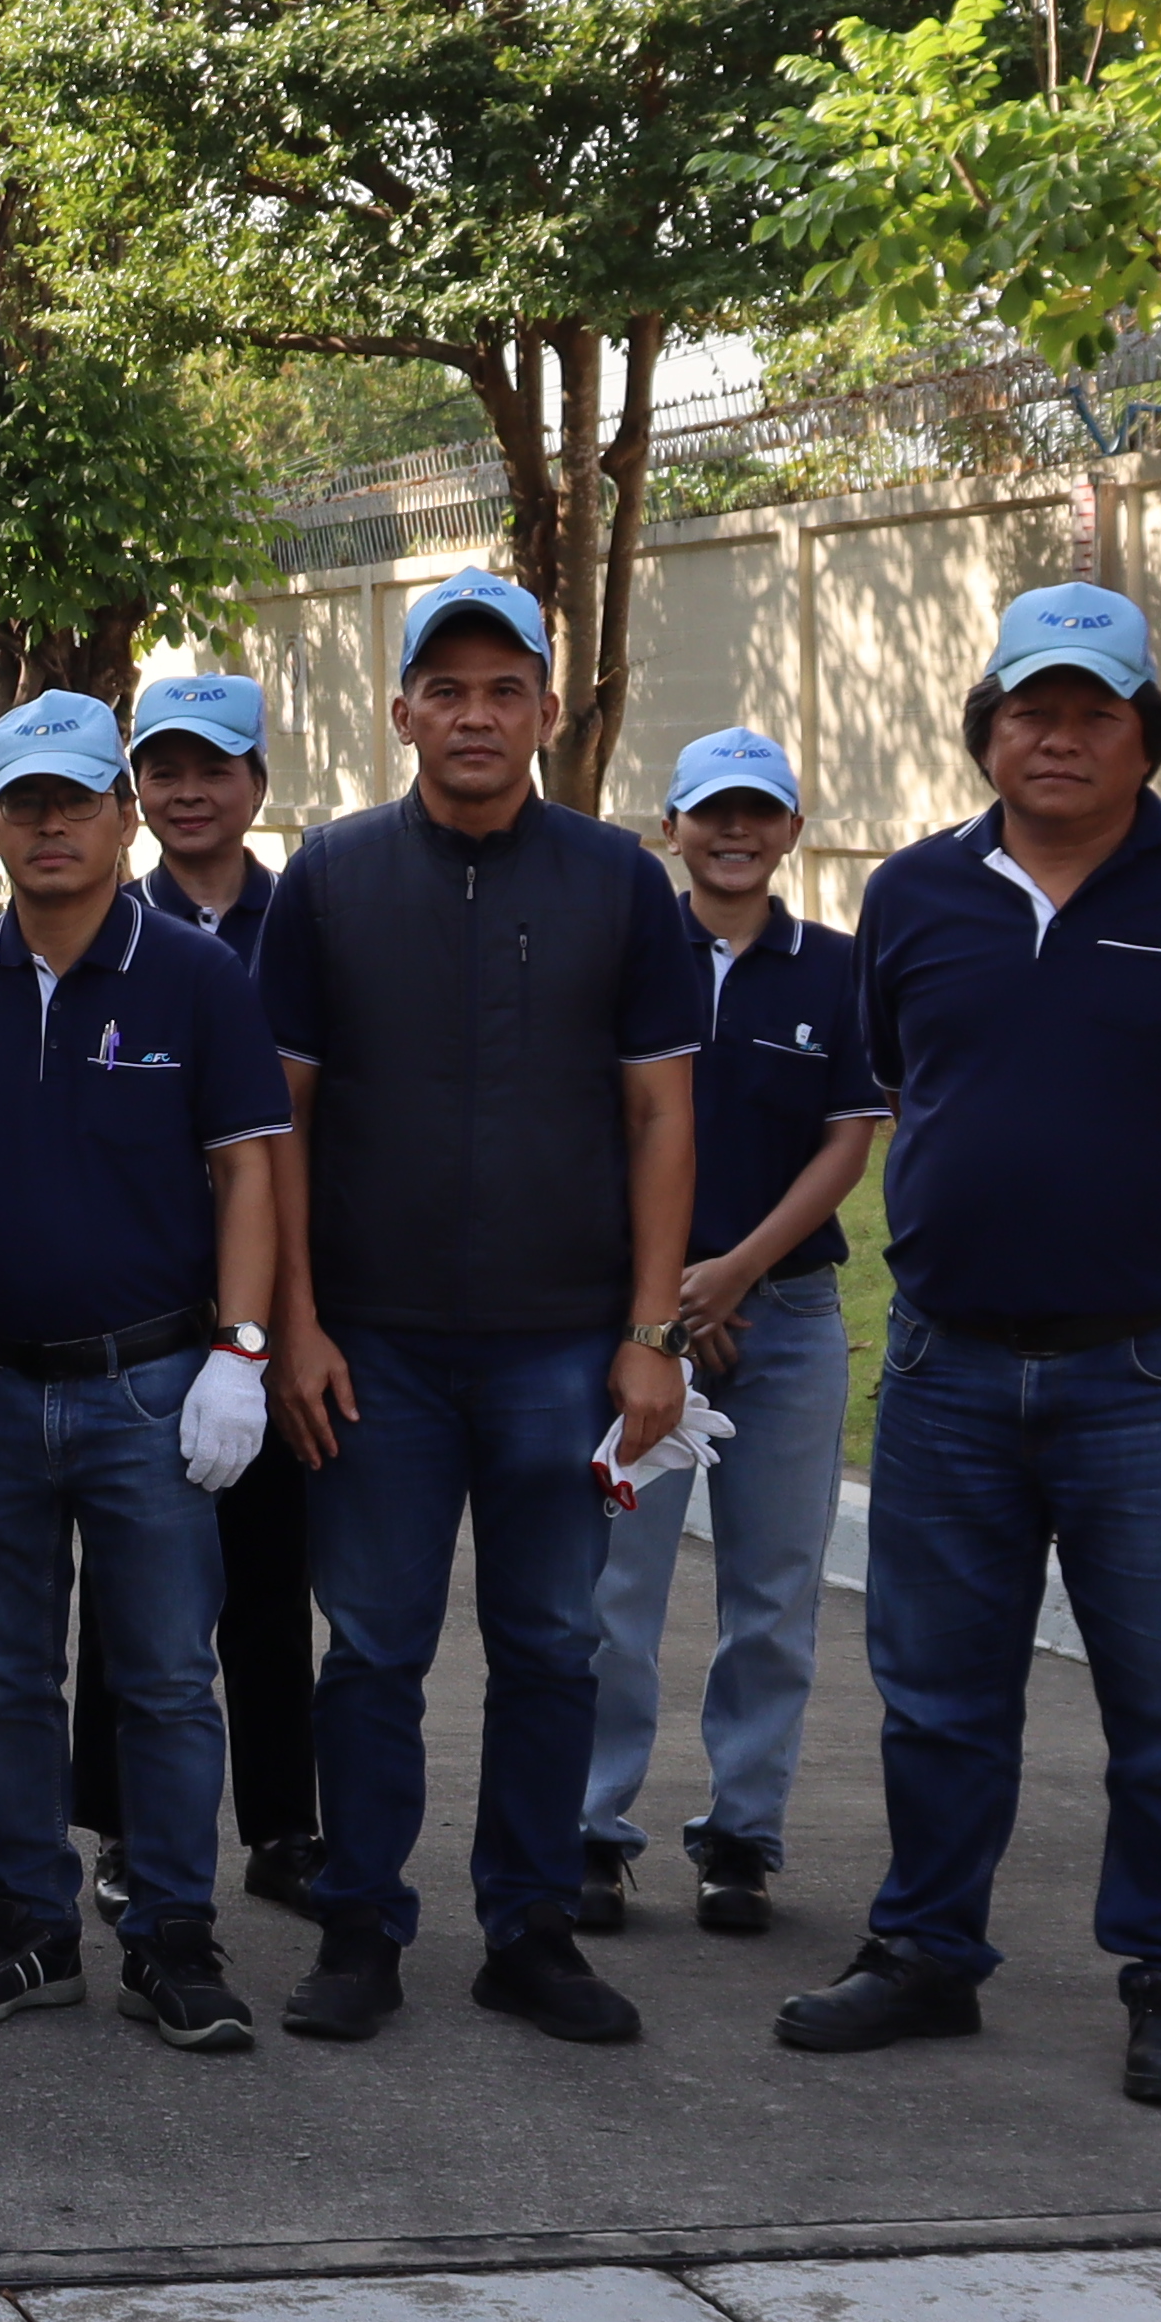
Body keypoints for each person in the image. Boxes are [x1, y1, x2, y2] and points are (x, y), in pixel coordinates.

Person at [783, 583, 1161, 2112]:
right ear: (986, 731)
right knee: (938, 1695)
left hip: (1152, 1374)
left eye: (1095, 712)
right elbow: (911, 1080)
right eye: (1030, 710)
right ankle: (925, 1957)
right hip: (950, 1367)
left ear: (1145, 736)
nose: (1058, 737)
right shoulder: (912, 896)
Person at [254, 571, 707, 2050]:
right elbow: (285, 1129)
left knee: (551, 1645)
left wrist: (651, 1335)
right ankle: (362, 1925)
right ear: (401, 712)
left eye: (502, 688)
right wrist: (297, 1327)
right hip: (371, 1346)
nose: (472, 715)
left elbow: (660, 1119)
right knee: (372, 1648)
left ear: (546, 712)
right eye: (444, 690)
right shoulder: (329, 878)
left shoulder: (619, 883)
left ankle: (531, 1925)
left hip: (564, 1348)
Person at [0, 692, 290, 2055]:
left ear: (121, 818)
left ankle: (174, 1933)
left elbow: (247, 1170)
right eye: (23, 802)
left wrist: (242, 1350)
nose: (50, 824)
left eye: (75, 800)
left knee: (168, 1678)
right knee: (1, 1681)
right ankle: (29, 1927)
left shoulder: (197, 976)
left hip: (153, 1384)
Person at [577, 727, 882, 1942]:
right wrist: (663, 1301)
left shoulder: (838, 969)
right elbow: (604, 1133)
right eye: (713, 813)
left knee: (773, 1592)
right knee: (618, 1593)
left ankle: (741, 1838)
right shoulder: (628, 962)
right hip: (642, 1320)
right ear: (672, 828)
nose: (736, 832)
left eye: (761, 813)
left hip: (788, 1317)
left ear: (794, 830)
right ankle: (594, 1831)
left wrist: (736, 1272)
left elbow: (848, 1141)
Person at [69, 669, 320, 1912]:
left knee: (271, 1574)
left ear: (256, 783)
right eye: (162, 770)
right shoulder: (108, 925)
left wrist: (280, 1329)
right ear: (132, 793)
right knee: (131, 1591)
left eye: (213, 769)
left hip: (278, 1298)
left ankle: (283, 1822)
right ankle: (122, 1824)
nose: (187, 791)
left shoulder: (311, 918)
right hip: (147, 1302)